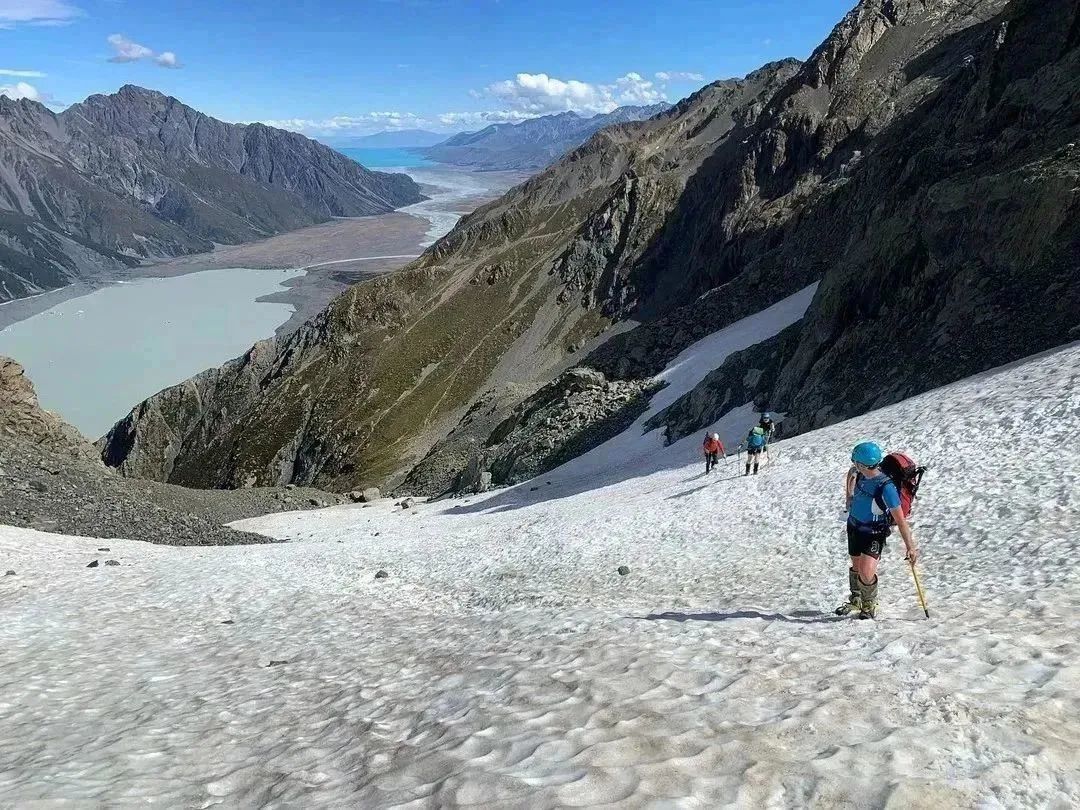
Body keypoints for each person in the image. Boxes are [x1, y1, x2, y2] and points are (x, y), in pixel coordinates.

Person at [836, 441, 919, 619]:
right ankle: (856, 599)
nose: (853, 465)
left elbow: (900, 520)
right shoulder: (859, 474)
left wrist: (910, 547)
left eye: (855, 462)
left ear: (862, 464)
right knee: (857, 566)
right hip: (854, 527)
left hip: (874, 532)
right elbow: (850, 475)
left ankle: (869, 604)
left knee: (866, 572)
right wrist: (849, 497)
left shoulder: (886, 487)